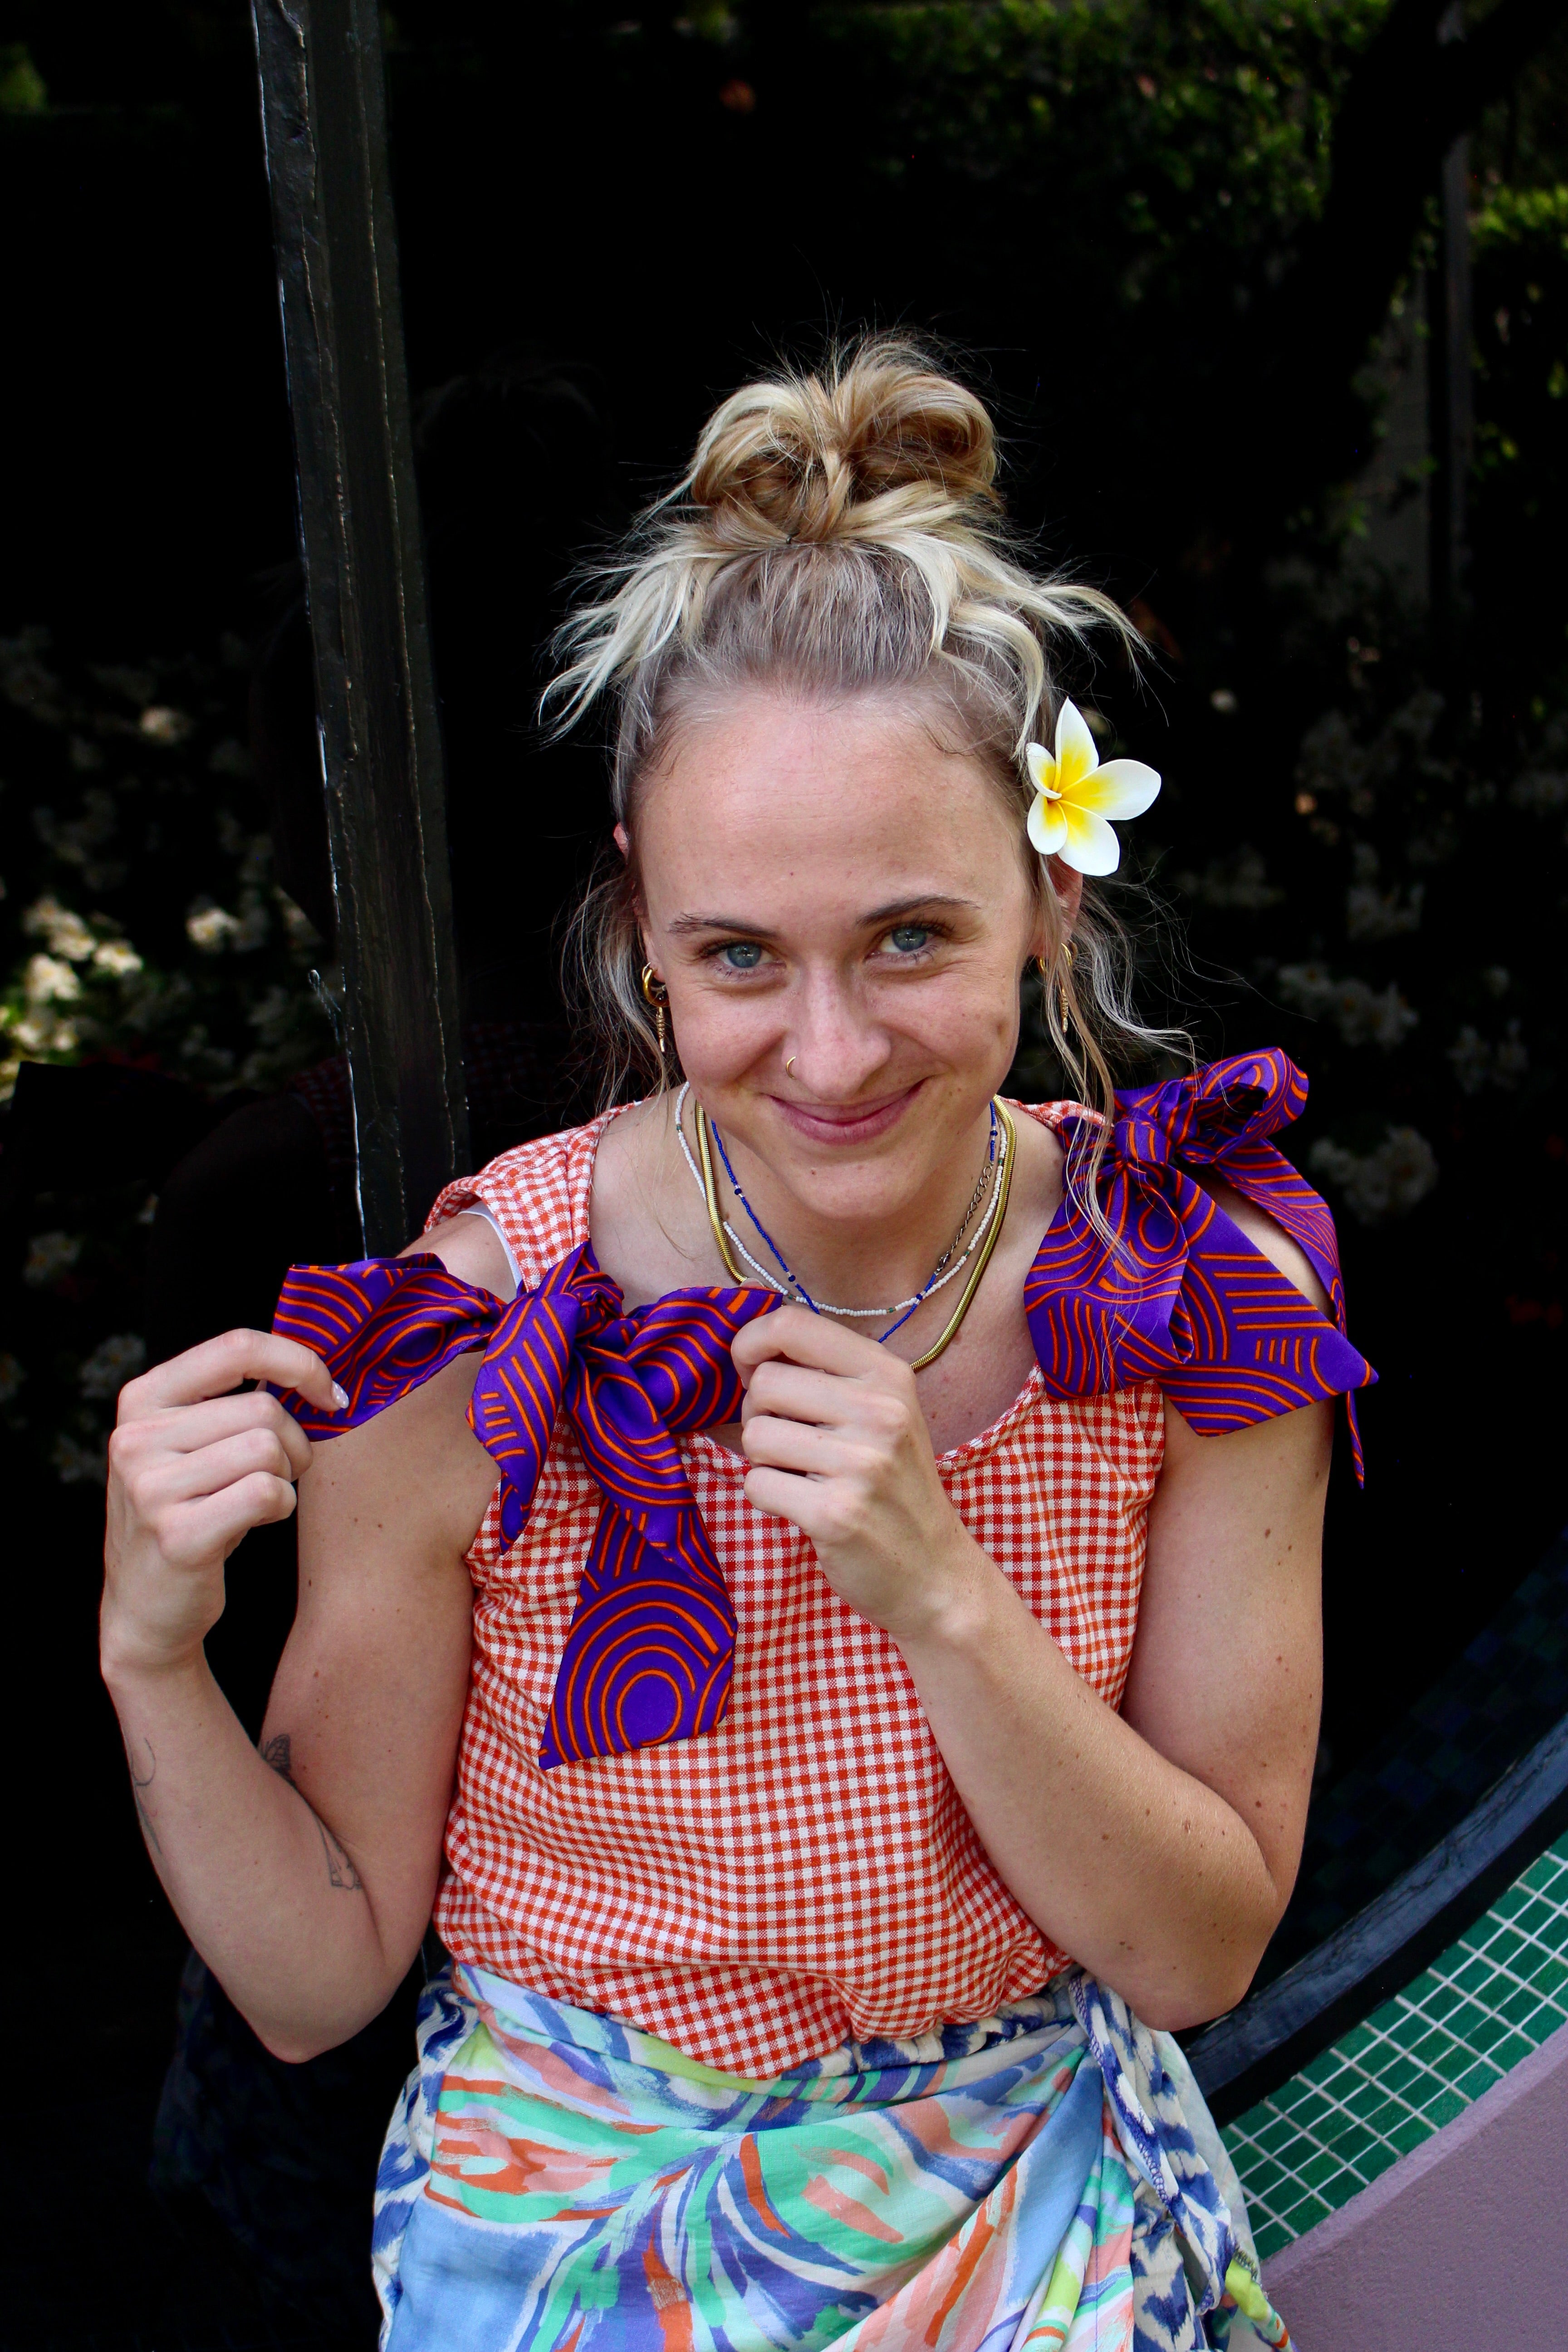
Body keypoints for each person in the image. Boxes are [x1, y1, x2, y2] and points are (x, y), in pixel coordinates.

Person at [101, 339, 1372, 2350]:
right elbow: (314, 1975)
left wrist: (938, 1590)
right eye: (738, 960)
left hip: (1027, 2192)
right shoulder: (489, 1331)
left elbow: (1197, 1944)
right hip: (572, 2221)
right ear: (640, 926)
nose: (837, 1051)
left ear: (1048, 893)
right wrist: (152, 1656)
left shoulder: (1198, 1300)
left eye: (912, 938)